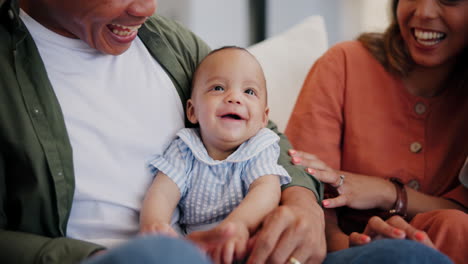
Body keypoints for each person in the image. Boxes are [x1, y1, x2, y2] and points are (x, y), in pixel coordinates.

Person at [0, 0, 454, 263]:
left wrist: (303, 207)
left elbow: (267, 138)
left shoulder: (170, 44)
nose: (145, 7)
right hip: (139, 254)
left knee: (409, 258)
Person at [286, 0, 468, 263]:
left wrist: (386, 192)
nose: (424, 12)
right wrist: (353, 247)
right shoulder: (345, 64)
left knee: (455, 226)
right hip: (342, 251)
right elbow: (304, 190)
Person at [140, 46, 291, 264]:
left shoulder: (259, 147)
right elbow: (162, 192)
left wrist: (239, 224)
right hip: (198, 249)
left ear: (263, 118)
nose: (234, 98)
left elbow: (266, 190)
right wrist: (154, 223)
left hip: (247, 244)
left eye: (249, 92)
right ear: (192, 111)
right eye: (218, 88)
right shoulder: (185, 149)